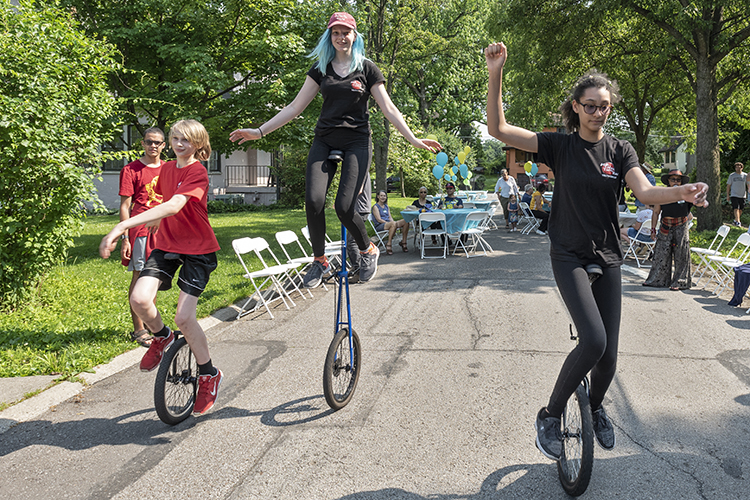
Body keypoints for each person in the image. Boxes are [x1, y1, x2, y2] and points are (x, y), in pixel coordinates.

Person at [485, 42, 708, 461]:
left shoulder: (621, 151)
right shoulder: (559, 146)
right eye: (589, 106)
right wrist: (496, 71)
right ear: (577, 107)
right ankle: (550, 415)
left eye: (604, 106)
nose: (597, 112)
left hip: (608, 256)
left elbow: (644, 191)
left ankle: (597, 406)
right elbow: (499, 129)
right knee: (592, 341)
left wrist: (682, 191)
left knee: (609, 358)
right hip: (568, 254)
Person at [229, 11, 440, 288]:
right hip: (325, 139)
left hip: (356, 141)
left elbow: (388, 108)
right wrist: (259, 131)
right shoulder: (321, 68)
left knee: (344, 207)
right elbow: (294, 107)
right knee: (314, 201)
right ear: (330, 36)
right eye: (336, 33)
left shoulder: (367, 68)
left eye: (346, 32)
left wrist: (413, 139)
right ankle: (319, 261)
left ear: (355, 36)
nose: (341, 37)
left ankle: (368, 250)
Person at [99, 119, 224, 415]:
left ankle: (208, 374)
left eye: (187, 140)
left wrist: (120, 229)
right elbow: (165, 202)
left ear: (198, 145)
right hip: (167, 244)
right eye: (175, 138)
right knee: (140, 299)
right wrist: (156, 218)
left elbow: (175, 204)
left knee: (184, 316)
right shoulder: (167, 169)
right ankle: (161, 336)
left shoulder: (198, 172)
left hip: (198, 250)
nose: (180, 144)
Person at [118, 127, 165, 347]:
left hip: (163, 230)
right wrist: (125, 237)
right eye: (149, 142)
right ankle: (139, 330)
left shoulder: (169, 169)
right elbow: (125, 206)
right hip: (140, 230)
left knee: (154, 278)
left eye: (157, 142)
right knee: (140, 277)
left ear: (164, 145)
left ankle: (153, 327)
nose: (153, 146)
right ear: (143, 144)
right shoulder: (131, 170)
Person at [643, 170, 694, 290]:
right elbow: (656, 212)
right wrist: (653, 229)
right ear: (668, 182)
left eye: (678, 180)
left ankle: (680, 282)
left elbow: (691, 210)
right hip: (666, 225)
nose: (676, 182)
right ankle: (657, 280)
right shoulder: (663, 194)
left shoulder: (685, 194)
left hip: (681, 225)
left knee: (681, 253)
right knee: (661, 253)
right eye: (673, 179)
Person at [372, 189, 409, 254]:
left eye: (384, 196)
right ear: (378, 196)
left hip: (390, 224)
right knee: (393, 224)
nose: (383, 197)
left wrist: (394, 223)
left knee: (406, 221)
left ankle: (404, 242)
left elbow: (390, 217)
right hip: (380, 225)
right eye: (381, 196)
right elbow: (379, 219)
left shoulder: (386, 206)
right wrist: (390, 223)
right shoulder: (375, 207)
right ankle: (389, 244)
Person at [726, 162, 748, 226]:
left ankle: (735, 220)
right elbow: (728, 186)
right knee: (736, 208)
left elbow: (748, 184)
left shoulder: (745, 176)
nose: (738, 169)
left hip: (742, 195)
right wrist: (728, 195)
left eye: (739, 167)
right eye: (736, 167)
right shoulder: (732, 175)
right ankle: (738, 222)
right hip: (734, 194)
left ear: (742, 168)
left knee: (741, 209)